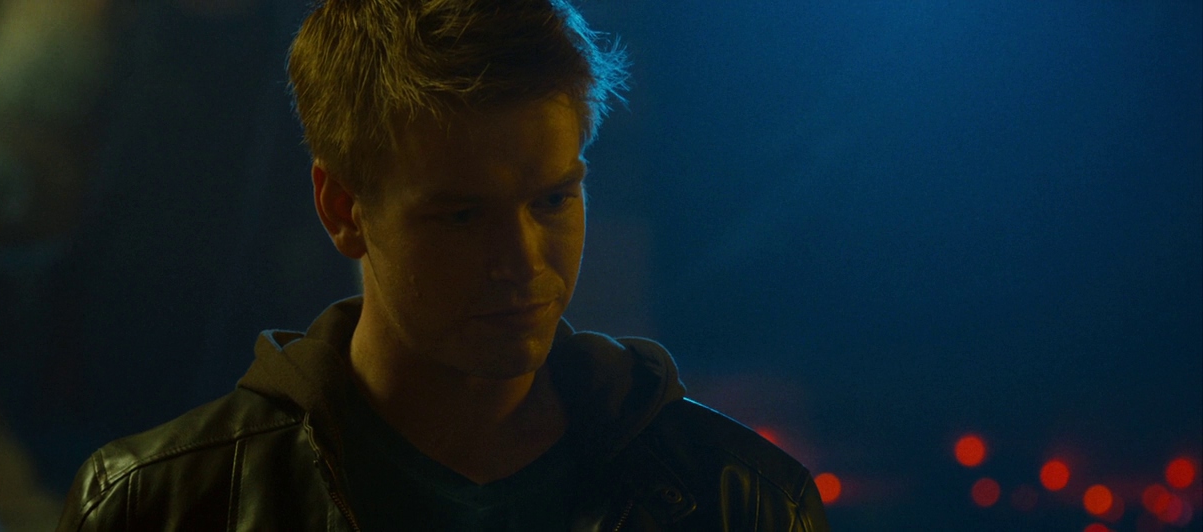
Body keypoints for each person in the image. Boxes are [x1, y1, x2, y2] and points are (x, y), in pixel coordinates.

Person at [56, 0, 830, 529]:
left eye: (553, 200)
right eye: (461, 216)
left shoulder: (739, 500)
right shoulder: (158, 505)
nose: (521, 261)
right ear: (342, 208)